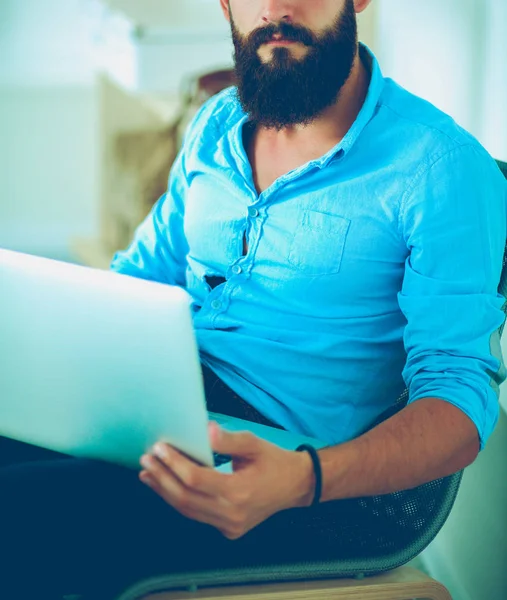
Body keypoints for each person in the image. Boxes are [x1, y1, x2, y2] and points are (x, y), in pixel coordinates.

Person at [1, 1, 506, 598]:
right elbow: (136, 277)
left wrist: (303, 480)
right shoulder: (214, 125)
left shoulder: (441, 168)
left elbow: (460, 400)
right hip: (158, 409)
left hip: (286, 477)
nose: (274, 9)